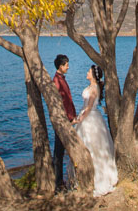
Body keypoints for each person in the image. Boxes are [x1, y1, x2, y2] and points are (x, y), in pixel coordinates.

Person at [73, 64, 118, 196]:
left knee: (93, 148)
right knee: (86, 146)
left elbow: (90, 106)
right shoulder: (91, 87)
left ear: (93, 75)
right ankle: (83, 178)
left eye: (89, 71)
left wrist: (80, 119)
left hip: (90, 118)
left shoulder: (94, 89)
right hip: (86, 115)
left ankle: (97, 179)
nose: (87, 72)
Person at [52, 54, 77, 191]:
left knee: (61, 152)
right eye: (66, 64)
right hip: (62, 122)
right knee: (59, 153)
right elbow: (60, 103)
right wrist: (68, 118)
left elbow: (68, 100)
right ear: (61, 66)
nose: (68, 67)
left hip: (67, 120)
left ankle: (61, 181)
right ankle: (58, 184)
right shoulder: (57, 81)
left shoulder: (61, 79)